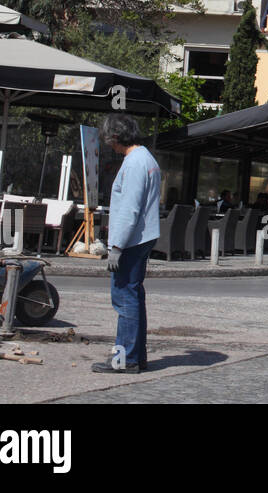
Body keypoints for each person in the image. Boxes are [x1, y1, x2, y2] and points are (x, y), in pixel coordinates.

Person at [94, 113, 161, 374]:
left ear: (115, 137)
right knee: (133, 296)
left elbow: (130, 209)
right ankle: (135, 356)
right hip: (142, 236)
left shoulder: (134, 163)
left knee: (124, 299)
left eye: (108, 139)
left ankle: (125, 359)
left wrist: (116, 247)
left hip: (132, 239)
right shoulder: (146, 159)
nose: (108, 144)